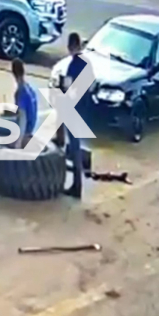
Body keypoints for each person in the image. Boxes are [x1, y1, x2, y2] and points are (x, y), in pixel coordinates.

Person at [61, 32, 87, 199]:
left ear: (71, 46)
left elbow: (67, 89)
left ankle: (76, 186)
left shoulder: (72, 66)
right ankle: (78, 184)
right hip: (84, 111)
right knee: (77, 146)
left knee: (74, 148)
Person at [11, 58, 38, 148]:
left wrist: (19, 141)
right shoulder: (30, 89)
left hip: (25, 132)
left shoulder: (21, 93)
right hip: (31, 129)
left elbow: (23, 119)